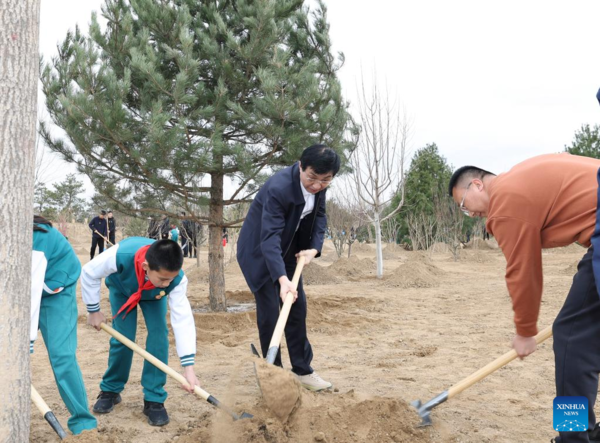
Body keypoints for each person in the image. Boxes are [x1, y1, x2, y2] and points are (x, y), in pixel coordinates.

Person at [448, 153, 600, 443]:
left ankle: (575, 436)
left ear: (477, 185)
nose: (471, 215)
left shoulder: (504, 201)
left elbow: (523, 270)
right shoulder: (520, 179)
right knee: (588, 337)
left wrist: (525, 330)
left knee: (571, 339)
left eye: (465, 206)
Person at [237, 144, 338, 391]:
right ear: (300, 166)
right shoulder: (278, 188)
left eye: (325, 181)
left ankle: (302, 370)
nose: (316, 186)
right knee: (271, 313)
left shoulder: (319, 186)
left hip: (292, 250)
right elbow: (269, 237)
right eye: (312, 178)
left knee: (297, 307)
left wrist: (314, 248)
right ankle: (274, 375)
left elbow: (320, 216)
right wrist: (282, 279)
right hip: (260, 253)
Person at [81, 238, 199, 426]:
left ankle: (154, 398)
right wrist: (93, 310)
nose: (166, 283)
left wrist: (189, 369)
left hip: (154, 296)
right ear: (146, 266)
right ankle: (111, 389)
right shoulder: (121, 254)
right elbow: (88, 272)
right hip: (123, 289)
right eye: (162, 278)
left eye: (170, 279)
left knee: (159, 336)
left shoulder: (175, 281)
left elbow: (182, 320)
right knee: (123, 338)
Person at [31, 215, 97, 435]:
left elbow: (31, 292)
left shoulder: (36, 237)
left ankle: (83, 422)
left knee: (62, 355)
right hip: (18, 290)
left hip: (54, 289)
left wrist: (28, 340)